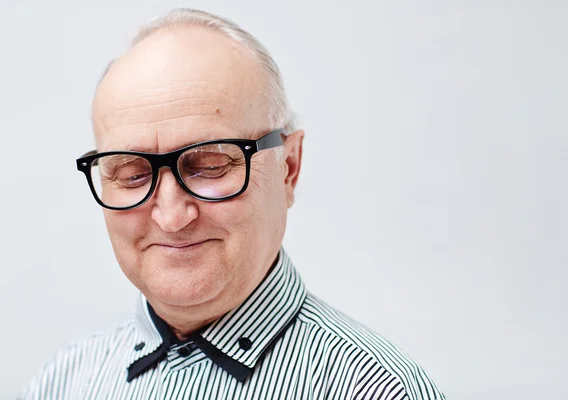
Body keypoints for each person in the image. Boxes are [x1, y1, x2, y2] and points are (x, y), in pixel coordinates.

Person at [22, 8, 445, 400]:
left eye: (209, 165)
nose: (171, 217)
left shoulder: (377, 390)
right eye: (133, 173)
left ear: (288, 168)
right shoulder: (63, 382)